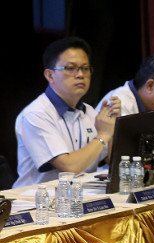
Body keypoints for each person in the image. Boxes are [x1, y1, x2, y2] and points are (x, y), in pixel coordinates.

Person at [14, 36, 121, 187]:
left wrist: (114, 126)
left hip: (81, 198)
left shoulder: (89, 112)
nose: (80, 75)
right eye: (71, 68)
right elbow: (69, 167)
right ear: (50, 75)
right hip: (37, 203)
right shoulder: (36, 114)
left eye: (85, 68)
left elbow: (110, 160)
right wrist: (103, 135)